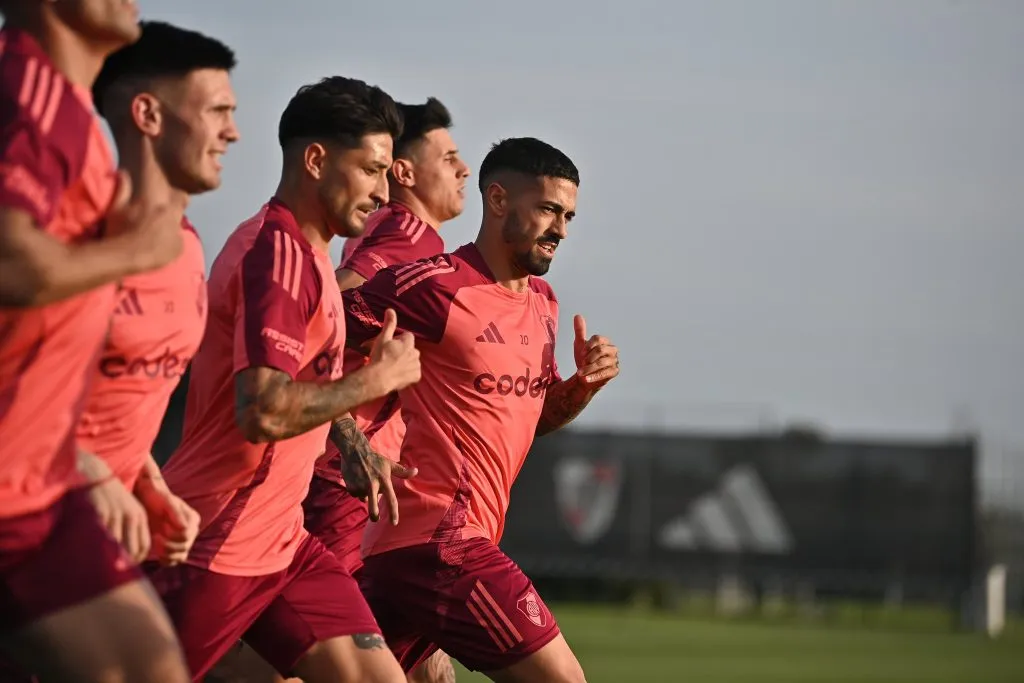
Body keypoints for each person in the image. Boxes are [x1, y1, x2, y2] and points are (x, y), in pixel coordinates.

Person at [149, 75, 418, 683]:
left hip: (284, 542)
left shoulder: (312, 254)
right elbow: (263, 411)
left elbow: (300, 380)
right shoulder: (277, 256)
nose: (385, 192)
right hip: (219, 541)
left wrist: (349, 440)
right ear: (316, 159)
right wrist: (375, 381)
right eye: (372, 170)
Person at [341, 137, 620, 682]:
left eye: (567, 215)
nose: (560, 229)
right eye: (546, 209)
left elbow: (529, 419)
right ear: (496, 200)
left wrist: (579, 389)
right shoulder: (435, 285)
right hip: (440, 541)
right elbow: (312, 339)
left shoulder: (543, 302)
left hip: (424, 549)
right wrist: (350, 439)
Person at [0, 2, 191, 682]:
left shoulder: (67, 110)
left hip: (40, 490)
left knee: (147, 664)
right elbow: (13, 264)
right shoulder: (27, 89)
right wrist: (138, 248)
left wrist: (131, 471)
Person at [304, 96, 469, 683]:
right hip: (350, 484)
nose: (464, 169)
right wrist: (350, 431)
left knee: (418, 664)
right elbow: (328, 309)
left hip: (379, 485)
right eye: (448, 157)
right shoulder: (408, 240)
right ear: (405, 172)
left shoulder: (393, 234)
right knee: (334, 660)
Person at [77, 19, 240, 568]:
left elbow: (114, 400)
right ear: (148, 115)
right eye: (217, 111)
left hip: (96, 530)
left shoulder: (190, 249)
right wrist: (83, 467)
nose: (233, 132)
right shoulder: (71, 237)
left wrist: (147, 484)